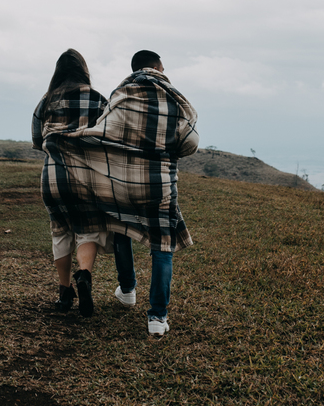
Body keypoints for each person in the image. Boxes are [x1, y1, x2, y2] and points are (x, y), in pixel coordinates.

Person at [59, 50, 199, 337]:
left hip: (122, 182)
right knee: (162, 248)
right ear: (160, 67)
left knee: (121, 229)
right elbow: (190, 143)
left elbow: (103, 131)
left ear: (134, 68)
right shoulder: (175, 98)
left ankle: (127, 290)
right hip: (159, 185)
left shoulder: (121, 94)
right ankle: (157, 319)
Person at [31, 48, 120, 317]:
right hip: (87, 176)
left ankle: (64, 293)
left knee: (60, 231)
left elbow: (37, 140)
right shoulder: (98, 99)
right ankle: (84, 275)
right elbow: (109, 138)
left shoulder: (46, 101)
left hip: (53, 177)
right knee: (89, 229)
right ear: (84, 71)